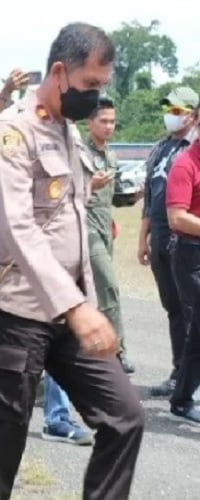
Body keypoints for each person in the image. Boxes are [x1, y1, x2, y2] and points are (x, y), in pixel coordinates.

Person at [0, 23, 145, 500]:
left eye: (102, 87)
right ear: (60, 72)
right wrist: (77, 308)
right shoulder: (10, 132)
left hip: (68, 312)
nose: (96, 97)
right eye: (90, 85)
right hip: (17, 315)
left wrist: (80, 301)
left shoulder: (67, 130)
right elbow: (19, 228)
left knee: (125, 417)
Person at [140, 86, 200, 396]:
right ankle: (180, 373)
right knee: (174, 308)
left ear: (192, 115)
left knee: (193, 310)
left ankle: (192, 381)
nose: (171, 116)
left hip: (187, 237)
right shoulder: (160, 148)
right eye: (169, 110)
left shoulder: (193, 151)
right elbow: (150, 196)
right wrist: (143, 237)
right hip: (161, 235)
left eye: (177, 111)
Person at [85, 97, 137, 374]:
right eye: (103, 121)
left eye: (112, 121)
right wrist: (87, 184)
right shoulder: (79, 152)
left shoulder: (111, 156)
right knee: (109, 288)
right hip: (85, 230)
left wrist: (133, 195)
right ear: (89, 122)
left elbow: (114, 196)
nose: (109, 126)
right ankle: (118, 352)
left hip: (105, 229)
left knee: (92, 295)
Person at [165, 101, 200, 424]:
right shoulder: (185, 164)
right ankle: (183, 398)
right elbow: (177, 216)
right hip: (191, 253)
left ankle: (183, 396)